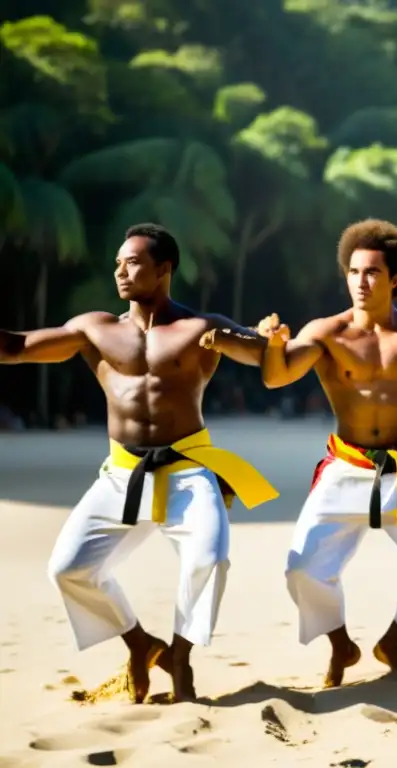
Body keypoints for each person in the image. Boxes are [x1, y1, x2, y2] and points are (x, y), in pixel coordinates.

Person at [0, 224, 279, 704]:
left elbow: (263, 356)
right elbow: (16, 347)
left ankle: (181, 657)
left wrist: (268, 339)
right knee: (68, 568)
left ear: (164, 269)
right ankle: (140, 643)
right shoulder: (95, 329)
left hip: (189, 470)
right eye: (117, 263)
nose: (120, 272)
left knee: (210, 560)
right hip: (122, 475)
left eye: (131, 262)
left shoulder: (200, 328)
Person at [219, 219, 397, 688]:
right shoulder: (325, 332)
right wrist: (276, 346)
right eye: (354, 272)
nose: (361, 282)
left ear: (394, 279)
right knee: (303, 570)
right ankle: (340, 642)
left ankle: (394, 640)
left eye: (372, 273)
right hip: (348, 467)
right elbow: (276, 378)